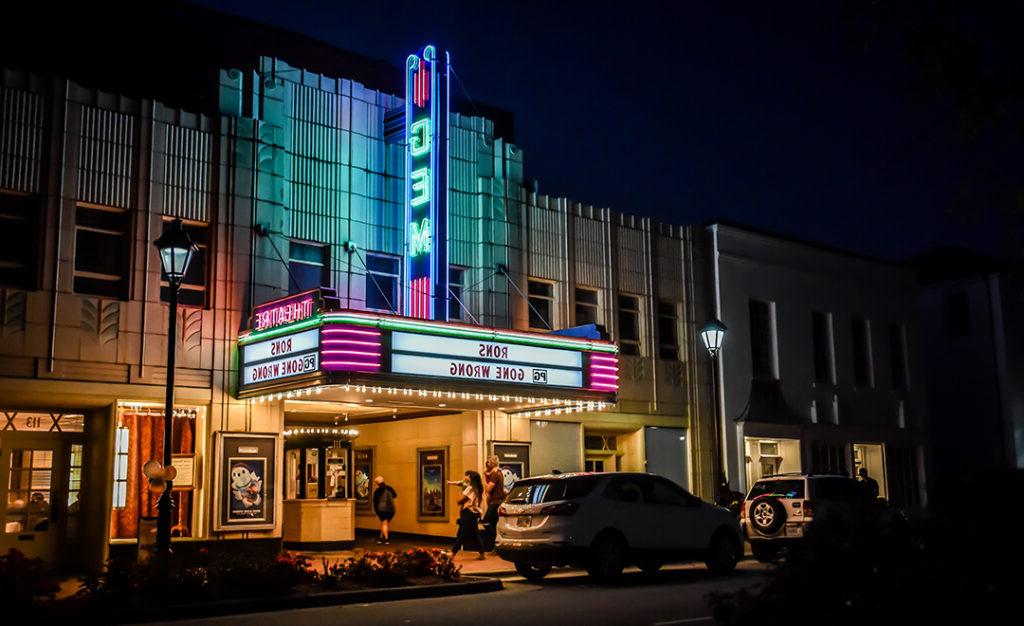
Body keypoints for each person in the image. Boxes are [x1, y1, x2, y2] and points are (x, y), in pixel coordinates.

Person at [448, 470, 486, 559]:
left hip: (468, 512)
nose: (466, 477)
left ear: (471, 478)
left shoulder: (470, 488)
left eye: (468, 476)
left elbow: (461, 500)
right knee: (475, 533)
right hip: (474, 513)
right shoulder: (478, 489)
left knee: (462, 533)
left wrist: (460, 495)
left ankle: (452, 553)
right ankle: (482, 553)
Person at [481, 455, 506, 552]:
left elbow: (489, 488)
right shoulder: (499, 473)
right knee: (494, 523)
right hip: (498, 501)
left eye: (488, 462)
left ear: (492, 463)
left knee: (486, 521)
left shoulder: (495, 474)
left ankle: (496, 539)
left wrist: (485, 483)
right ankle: (495, 547)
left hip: (495, 502)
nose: (487, 463)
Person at [372, 476, 397, 545]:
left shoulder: (377, 491)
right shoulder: (389, 488)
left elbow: (375, 501)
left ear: (377, 483)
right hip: (391, 509)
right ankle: (380, 538)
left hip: (382, 509)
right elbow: (395, 495)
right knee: (384, 523)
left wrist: (376, 510)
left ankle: (386, 539)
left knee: (384, 523)